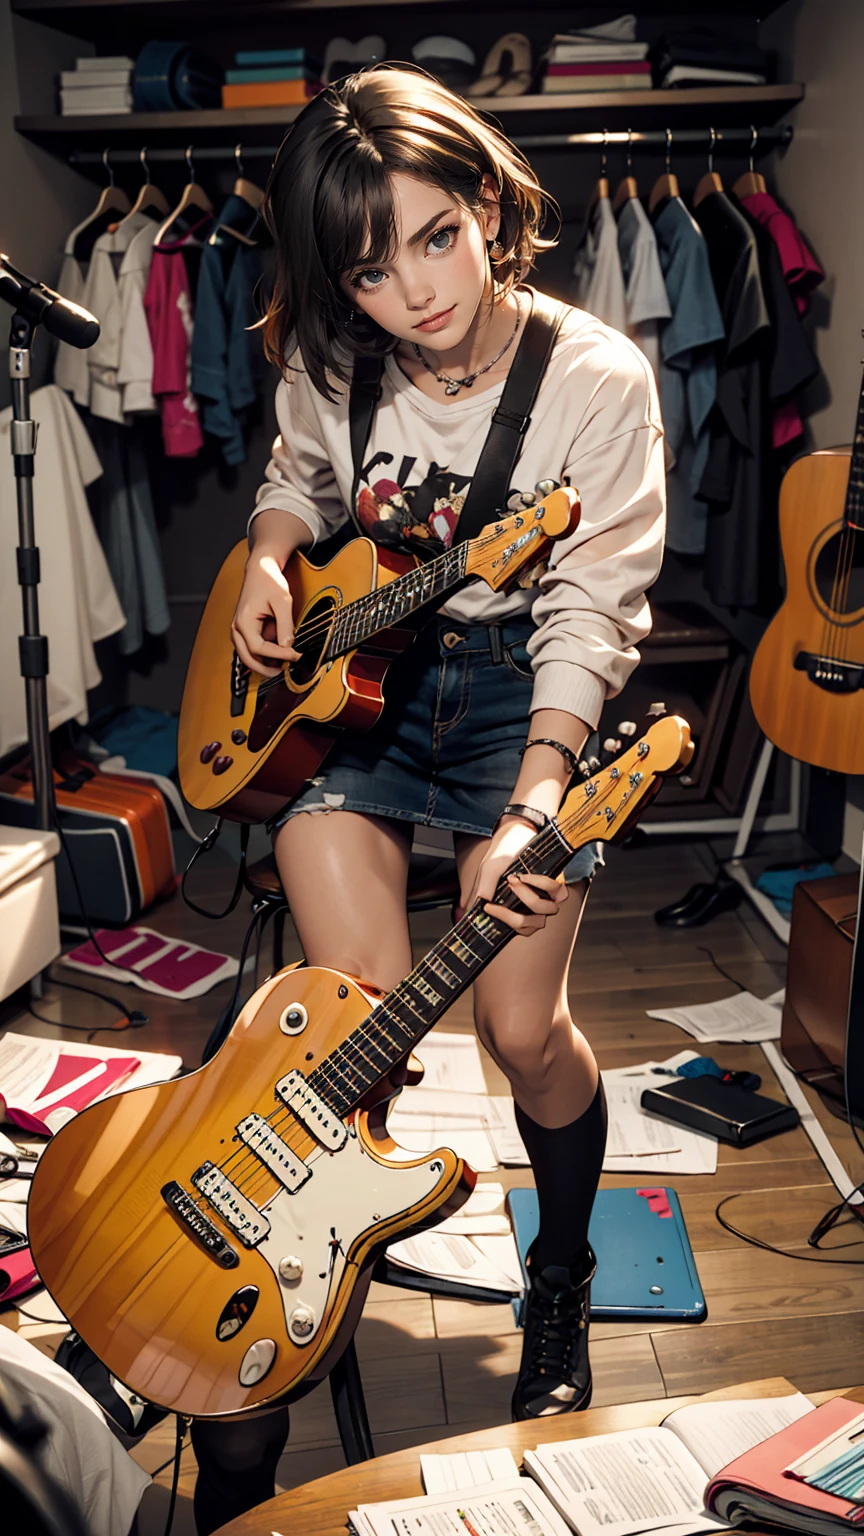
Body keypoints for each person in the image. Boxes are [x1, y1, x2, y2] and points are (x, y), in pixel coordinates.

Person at [193, 63, 664, 1535]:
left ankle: (563, 1277)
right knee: (357, 1019)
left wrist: (536, 793)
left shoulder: (594, 380)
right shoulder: (340, 359)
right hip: (372, 694)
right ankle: (285, 1304)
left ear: (486, 199)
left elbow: (592, 608)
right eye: (370, 267)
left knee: (523, 1030)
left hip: (529, 697)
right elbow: (294, 477)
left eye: (435, 236)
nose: (415, 290)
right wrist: (272, 559)